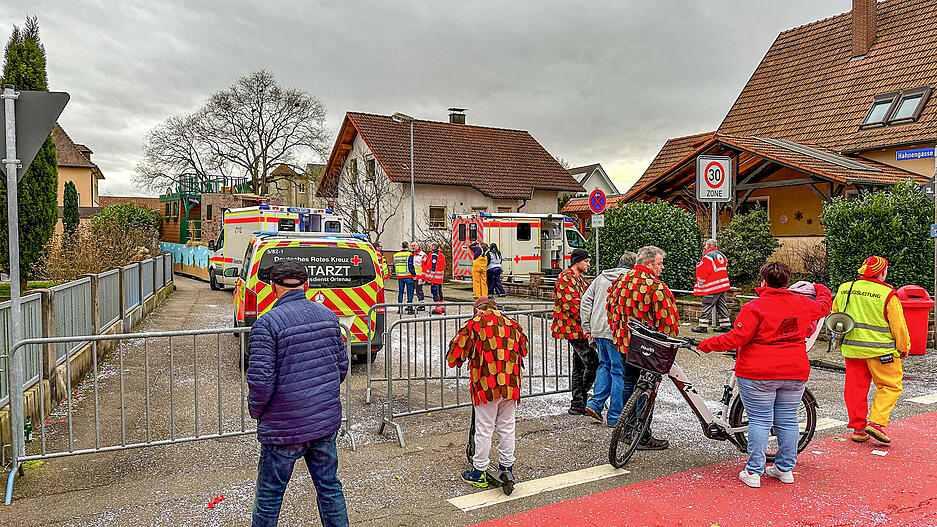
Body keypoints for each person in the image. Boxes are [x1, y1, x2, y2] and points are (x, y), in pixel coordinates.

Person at [698, 262, 831, 488]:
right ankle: (784, 469)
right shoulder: (802, 304)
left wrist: (708, 344)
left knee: (760, 420)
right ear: (786, 281)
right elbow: (824, 306)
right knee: (788, 420)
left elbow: (737, 337)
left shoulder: (754, 307)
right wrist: (820, 287)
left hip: (758, 372)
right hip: (794, 371)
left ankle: (753, 471)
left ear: (764, 280)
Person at [247, 259, 349, 527]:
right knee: (329, 487)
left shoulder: (267, 324)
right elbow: (341, 367)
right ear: (306, 285)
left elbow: (260, 383)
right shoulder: (329, 316)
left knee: (270, 495)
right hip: (323, 423)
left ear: (272, 287)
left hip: (284, 427)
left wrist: (257, 412)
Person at [447, 296, 530, 489]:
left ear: (478, 310)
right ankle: (507, 466)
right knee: (507, 426)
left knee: (484, 428)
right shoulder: (512, 324)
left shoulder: (474, 324)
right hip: (510, 383)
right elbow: (524, 349)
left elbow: (454, 356)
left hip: (487, 384)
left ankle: (479, 472)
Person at [606, 245, 678, 450]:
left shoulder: (621, 281)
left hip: (624, 344)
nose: (662, 267)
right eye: (659, 263)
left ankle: (626, 430)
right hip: (648, 349)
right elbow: (668, 322)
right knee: (647, 389)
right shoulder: (655, 286)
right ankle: (642, 435)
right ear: (648, 264)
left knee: (628, 384)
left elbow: (610, 309)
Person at [832, 255, 909, 444]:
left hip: (853, 350)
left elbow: (835, 316)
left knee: (855, 389)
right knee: (890, 386)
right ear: (882, 273)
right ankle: (876, 423)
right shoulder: (887, 294)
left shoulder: (845, 288)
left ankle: (859, 429)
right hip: (882, 351)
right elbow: (898, 326)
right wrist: (903, 347)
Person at [583, 251, 636, 427]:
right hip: (616, 331)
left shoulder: (601, 277)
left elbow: (586, 301)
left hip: (598, 329)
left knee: (604, 366)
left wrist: (587, 327)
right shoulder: (630, 279)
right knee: (618, 372)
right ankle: (614, 417)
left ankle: (595, 404)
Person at [552, 248, 598, 415]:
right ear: (577, 261)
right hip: (573, 329)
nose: (588, 264)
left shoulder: (580, 279)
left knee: (579, 366)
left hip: (580, 328)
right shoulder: (565, 278)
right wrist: (591, 317)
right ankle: (581, 399)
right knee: (593, 362)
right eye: (586, 261)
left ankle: (578, 403)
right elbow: (573, 305)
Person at [692, 239, 731, 333]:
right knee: (721, 305)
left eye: (705, 245)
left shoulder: (708, 256)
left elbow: (704, 271)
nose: (705, 247)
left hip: (713, 286)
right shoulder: (722, 255)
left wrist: (700, 282)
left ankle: (702, 326)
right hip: (723, 285)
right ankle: (725, 325)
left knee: (707, 304)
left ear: (709, 245)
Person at [423, 242, 447, 314]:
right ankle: (442, 307)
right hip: (439, 278)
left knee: (435, 293)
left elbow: (433, 267)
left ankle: (438, 309)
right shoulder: (441, 255)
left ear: (434, 247)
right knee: (440, 292)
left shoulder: (434, 255)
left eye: (431, 246)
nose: (430, 247)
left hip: (434, 278)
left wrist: (430, 278)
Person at [393, 242, 415, 314]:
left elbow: (394, 265)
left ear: (402, 246)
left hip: (400, 276)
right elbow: (410, 266)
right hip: (408, 276)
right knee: (409, 293)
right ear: (408, 246)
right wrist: (414, 275)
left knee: (400, 292)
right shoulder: (409, 255)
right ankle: (409, 308)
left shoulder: (396, 255)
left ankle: (400, 308)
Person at [411, 242, 427, 311]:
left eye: (414, 246)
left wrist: (423, 276)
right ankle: (410, 305)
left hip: (419, 277)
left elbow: (425, 266)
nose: (413, 247)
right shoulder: (413, 254)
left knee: (419, 291)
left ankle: (422, 305)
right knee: (412, 291)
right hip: (413, 276)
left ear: (418, 246)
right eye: (412, 246)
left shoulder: (422, 255)